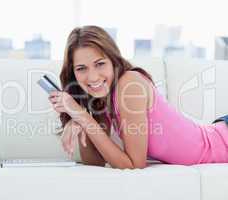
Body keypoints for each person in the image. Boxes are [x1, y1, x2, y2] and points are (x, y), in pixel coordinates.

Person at [48, 25, 228, 169]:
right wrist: (79, 120)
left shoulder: (129, 84)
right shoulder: (103, 98)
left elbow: (134, 165)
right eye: (81, 68)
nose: (93, 77)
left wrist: (82, 115)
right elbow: (95, 161)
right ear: (73, 73)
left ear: (113, 61)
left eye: (100, 64)